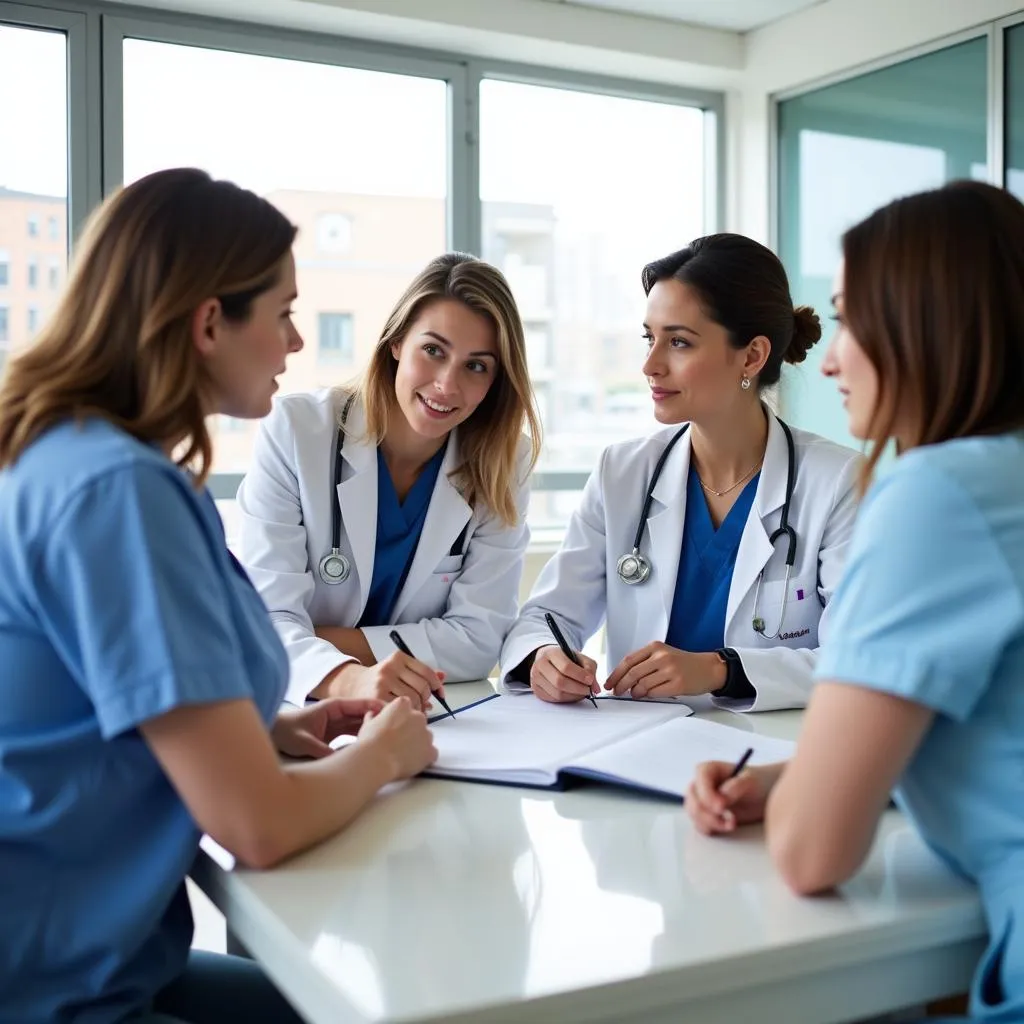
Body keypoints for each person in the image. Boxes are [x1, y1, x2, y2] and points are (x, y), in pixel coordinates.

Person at [0, 168, 437, 1024]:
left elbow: (95, 704)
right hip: (53, 988)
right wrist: (384, 754)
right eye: (281, 314)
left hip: (99, 953)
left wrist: (269, 731)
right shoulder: (116, 493)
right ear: (209, 323)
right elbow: (257, 827)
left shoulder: (86, 458)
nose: (296, 342)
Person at [686, 180, 1024, 1022]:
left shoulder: (934, 494)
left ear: (926, 321)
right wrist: (806, 774)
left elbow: (810, 855)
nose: (829, 357)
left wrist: (805, 797)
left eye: (846, 319)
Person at [500, 233, 860, 712]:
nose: (650, 364)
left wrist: (718, 669)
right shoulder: (623, 473)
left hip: (765, 757)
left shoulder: (836, 481)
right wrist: (544, 656)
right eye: (650, 338)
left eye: (679, 342)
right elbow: (545, 616)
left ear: (751, 356)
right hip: (637, 749)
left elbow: (857, 660)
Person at [236, 253, 541, 708]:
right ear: (396, 342)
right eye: (433, 350)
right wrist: (346, 678)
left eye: (476, 366)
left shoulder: (504, 460)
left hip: (426, 710)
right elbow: (267, 624)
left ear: (497, 379)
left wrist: (319, 641)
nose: (446, 385)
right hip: (298, 705)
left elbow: (478, 642)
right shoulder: (299, 432)